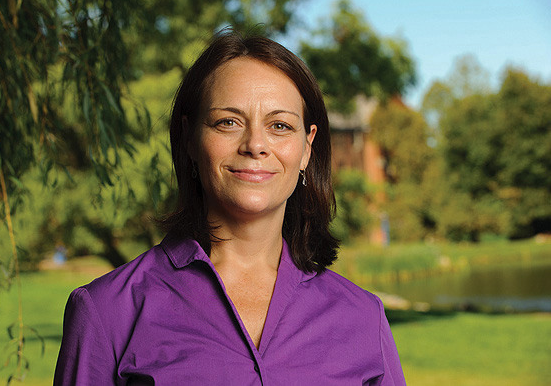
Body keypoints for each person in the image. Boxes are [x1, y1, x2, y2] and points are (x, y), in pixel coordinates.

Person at [54, 30, 406, 385]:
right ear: (190, 138)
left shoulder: (363, 318)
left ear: (306, 148)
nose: (255, 144)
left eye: (280, 125)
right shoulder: (106, 312)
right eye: (228, 122)